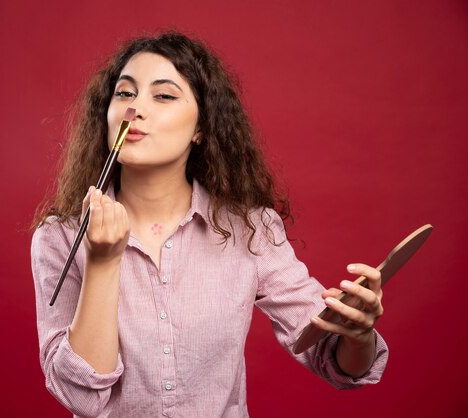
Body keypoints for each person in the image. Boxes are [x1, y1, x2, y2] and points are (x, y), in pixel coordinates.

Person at [30, 32, 388, 418]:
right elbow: (80, 397)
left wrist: (357, 333)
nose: (135, 109)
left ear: (202, 127)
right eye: (125, 93)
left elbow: (332, 357)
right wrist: (102, 262)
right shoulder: (60, 237)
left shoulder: (250, 230)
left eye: (163, 96)